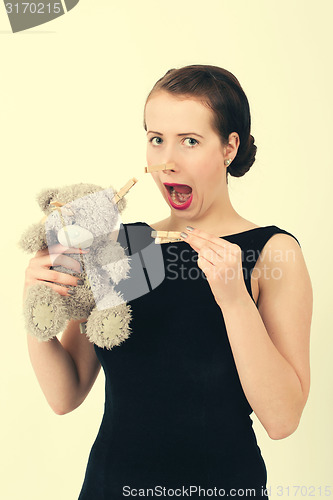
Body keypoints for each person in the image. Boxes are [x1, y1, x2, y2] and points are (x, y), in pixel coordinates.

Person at [24, 65, 313, 499]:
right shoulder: (122, 246)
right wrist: (37, 300)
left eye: (190, 141)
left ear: (229, 147)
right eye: (156, 139)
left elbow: (283, 420)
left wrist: (234, 302)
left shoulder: (274, 252)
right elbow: (65, 394)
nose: (167, 161)